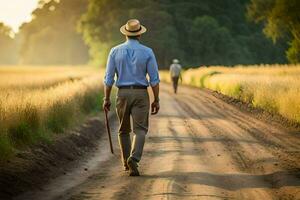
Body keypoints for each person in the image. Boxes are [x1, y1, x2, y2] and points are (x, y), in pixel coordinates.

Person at [102, 19, 160, 176]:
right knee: (140, 130)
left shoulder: (115, 51)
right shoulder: (148, 52)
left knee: (123, 130)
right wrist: (156, 99)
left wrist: (106, 99)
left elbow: (108, 79)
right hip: (141, 94)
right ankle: (134, 159)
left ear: (126, 34)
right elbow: (154, 79)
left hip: (122, 93)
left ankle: (126, 163)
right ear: (140, 34)